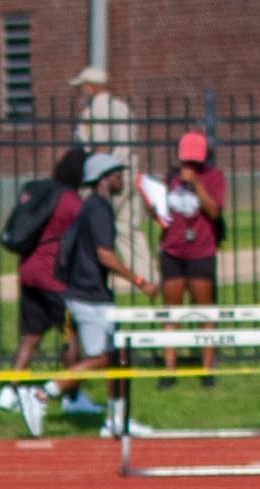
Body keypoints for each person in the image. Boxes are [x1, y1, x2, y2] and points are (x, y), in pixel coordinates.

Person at [23, 152, 158, 437]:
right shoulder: (97, 209)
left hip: (94, 294)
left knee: (119, 355)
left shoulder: (97, 207)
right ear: (104, 179)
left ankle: (116, 418)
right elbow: (104, 254)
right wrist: (139, 281)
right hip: (88, 297)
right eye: (117, 174)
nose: (122, 179)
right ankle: (42, 394)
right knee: (102, 358)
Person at [0, 145, 87, 425]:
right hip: (53, 276)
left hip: (29, 270)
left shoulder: (45, 192)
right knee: (70, 333)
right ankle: (72, 396)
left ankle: (10, 391)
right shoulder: (73, 202)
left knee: (32, 334)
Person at [155, 131, 225, 385]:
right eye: (186, 161)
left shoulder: (213, 177)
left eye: (194, 162)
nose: (189, 166)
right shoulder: (170, 177)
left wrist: (196, 183)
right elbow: (162, 210)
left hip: (201, 252)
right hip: (172, 251)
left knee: (203, 312)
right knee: (171, 312)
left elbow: (214, 211)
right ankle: (169, 369)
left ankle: (206, 369)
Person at [71, 65, 148, 287]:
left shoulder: (93, 112)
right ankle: (148, 275)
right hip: (130, 172)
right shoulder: (122, 107)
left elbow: (100, 147)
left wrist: (93, 182)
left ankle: (90, 275)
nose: (81, 91)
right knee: (129, 227)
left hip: (109, 178)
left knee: (95, 226)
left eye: (83, 86)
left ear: (90, 87)